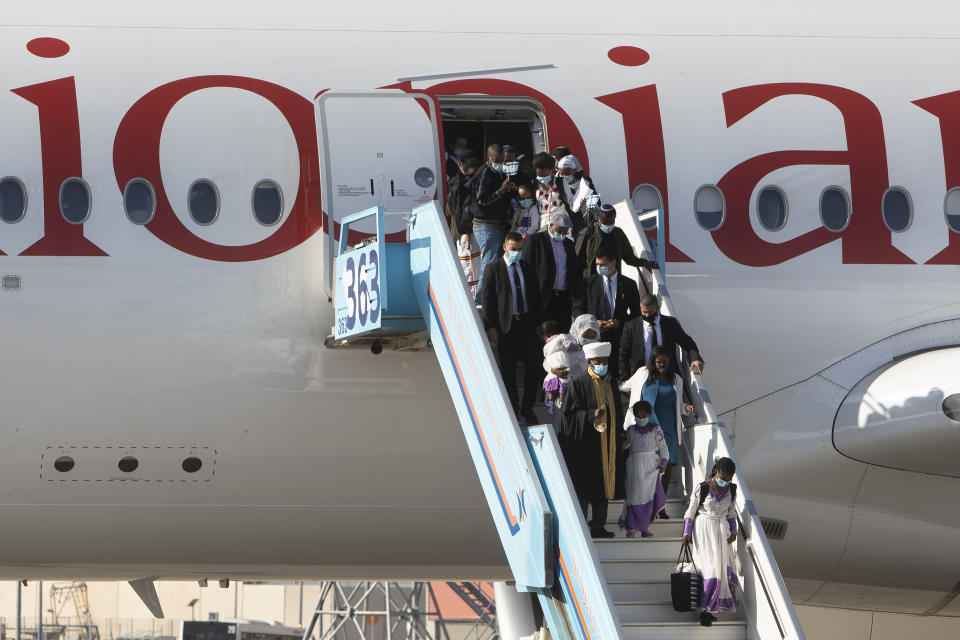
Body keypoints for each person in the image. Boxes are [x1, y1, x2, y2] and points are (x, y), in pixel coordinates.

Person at [558, 341, 624, 538]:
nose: (602, 364)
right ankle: (579, 527)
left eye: (605, 360)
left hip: (609, 443)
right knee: (585, 485)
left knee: (604, 486)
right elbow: (568, 415)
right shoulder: (578, 383)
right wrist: (590, 415)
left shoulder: (611, 381)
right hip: (587, 444)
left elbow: (617, 410)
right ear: (590, 362)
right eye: (598, 360)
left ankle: (598, 526)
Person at [621, 346, 695, 516]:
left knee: (666, 470)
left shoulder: (676, 379)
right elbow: (625, 387)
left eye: (666, 363)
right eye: (659, 362)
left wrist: (686, 408)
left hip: (668, 430)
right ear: (653, 362)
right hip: (647, 430)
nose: (662, 365)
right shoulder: (642, 374)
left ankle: (660, 507)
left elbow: (677, 404)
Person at [481, 232, 542, 425]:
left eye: (519, 249)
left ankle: (528, 407)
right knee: (509, 370)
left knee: (534, 366)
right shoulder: (494, 269)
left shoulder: (528, 268)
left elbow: (535, 298)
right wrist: (490, 326)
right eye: (513, 249)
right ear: (505, 247)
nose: (516, 252)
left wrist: (539, 324)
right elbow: (488, 300)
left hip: (527, 325)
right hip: (506, 327)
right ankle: (513, 409)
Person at [682, 457, 740, 627]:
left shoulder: (732, 489)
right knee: (709, 570)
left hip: (721, 532)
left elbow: (731, 513)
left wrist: (734, 531)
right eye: (723, 479)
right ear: (716, 472)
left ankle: (709, 610)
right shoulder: (703, 488)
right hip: (704, 530)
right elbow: (691, 512)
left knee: (720, 570)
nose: (725, 482)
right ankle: (704, 611)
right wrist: (686, 533)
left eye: (728, 480)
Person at [572, 251, 642, 382]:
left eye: (602, 264)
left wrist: (619, 322)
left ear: (613, 263)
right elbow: (577, 309)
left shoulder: (628, 284)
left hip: (619, 339)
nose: (599, 267)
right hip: (594, 338)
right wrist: (592, 323)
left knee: (615, 376)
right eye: (597, 264)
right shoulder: (588, 283)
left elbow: (636, 313)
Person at [618, 294, 705, 383]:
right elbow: (623, 352)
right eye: (644, 312)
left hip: (667, 376)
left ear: (658, 308)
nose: (647, 315)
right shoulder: (631, 326)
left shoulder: (670, 323)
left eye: (650, 312)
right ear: (640, 308)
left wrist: (695, 358)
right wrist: (624, 378)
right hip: (641, 377)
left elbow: (686, 341)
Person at [521, 211, 580, 331]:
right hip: (543, 298)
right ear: (551, 225)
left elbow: (573, 270)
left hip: (563, 299)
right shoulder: (535, 241)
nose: (562, 234)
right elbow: (525, 270)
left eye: (565, 231)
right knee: (543, 335)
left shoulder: (569, 244)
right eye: (559, 230)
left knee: (562, 334)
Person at [472, 144, 516, 302]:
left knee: (494, 261)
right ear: (488, 158)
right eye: (497, 160)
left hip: (496, 224)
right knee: (489, 263)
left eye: (502, 161)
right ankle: (481, 299)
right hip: (485, 225)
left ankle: (488, 298)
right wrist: (500, 192)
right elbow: (480, 200)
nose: (500, 163)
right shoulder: (484, 173)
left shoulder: (499, 173)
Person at [619, 400, 668, 538]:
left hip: (651, 468)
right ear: (634, 415)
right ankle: (631, 528)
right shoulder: (631, 430)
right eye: (638, 416)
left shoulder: (656, 430)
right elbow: (624, 446)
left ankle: (645, 528)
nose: (641, 418)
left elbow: (664, 450)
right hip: (634, 467)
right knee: (633, 496)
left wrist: (662, 465)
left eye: (643, 415)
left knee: (649, 497)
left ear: (649, 414)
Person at [575, 203, 660, 278]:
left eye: (611, 222)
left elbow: (629, 258)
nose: (608, 225)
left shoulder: (618, 234)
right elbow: (576, 260)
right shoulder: (587, 234)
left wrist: (645, 263)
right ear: (599, 218)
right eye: (605, 222)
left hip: (613, 284)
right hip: (592, 285)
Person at [446, 151, 482, 298]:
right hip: (466, 230)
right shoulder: (458, 183)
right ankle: (472, 299)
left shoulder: (455, 181)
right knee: (470, 267)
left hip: (471, 228)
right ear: (460, 165)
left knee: (475, 265)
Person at [541, 321, 587, 414]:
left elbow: (545, 355)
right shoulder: (562, 337)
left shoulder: (546, 344)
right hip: (561, 361)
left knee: (552, 383)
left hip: (551, 363)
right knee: (563, 383)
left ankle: (550, 402)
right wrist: (578, 347)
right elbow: (569, 345)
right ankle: (562, 402)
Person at [556, 155, 599, 232]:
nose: (564, 176)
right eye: (562, 173)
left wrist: (588, 206)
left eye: (567, 173)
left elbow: (596, 201)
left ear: (575, 170)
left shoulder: (585, 182)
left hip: (583, 223)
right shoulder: (557, 183)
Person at [532, 152, 565, 227]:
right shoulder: (534, 185)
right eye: (539, 175)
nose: (542, 177)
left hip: (561, 224)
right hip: (543, 225)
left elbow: (570, 202)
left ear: (552, 170)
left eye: (546, 175)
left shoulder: (561, 183)